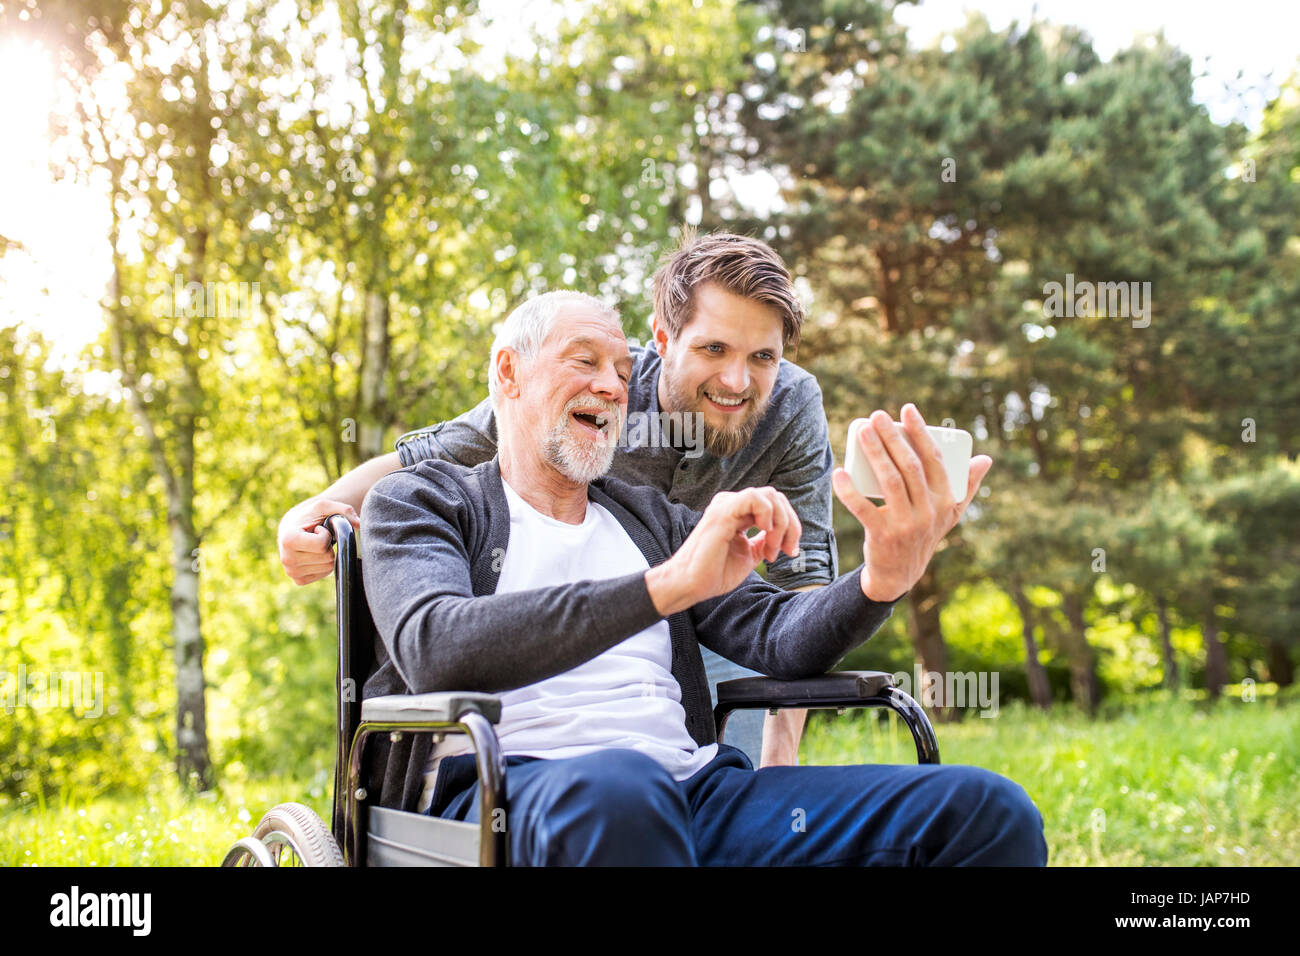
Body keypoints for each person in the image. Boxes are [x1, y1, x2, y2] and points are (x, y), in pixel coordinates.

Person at [357, 290, 1048, 866]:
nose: (611, 384)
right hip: (507, 800)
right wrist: (664, 588)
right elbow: (437, 647)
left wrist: (881, 578)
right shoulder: (424, 502)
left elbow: (781, 639)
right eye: (585, 361)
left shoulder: (653, 520)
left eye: (625, 372)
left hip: (695, 795)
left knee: (986, 812)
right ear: (508, 373)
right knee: (624, 790)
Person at [278, 232, 836, 769]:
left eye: (763, 357)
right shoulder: (597, 387)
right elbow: (430, 452)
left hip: (716, 617)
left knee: (730, 777)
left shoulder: (792, 406)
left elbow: (800, 578)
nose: (737, 380)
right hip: (569, 621)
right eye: (713, 348)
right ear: (664, 340)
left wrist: (780, 759)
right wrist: (317, 507)